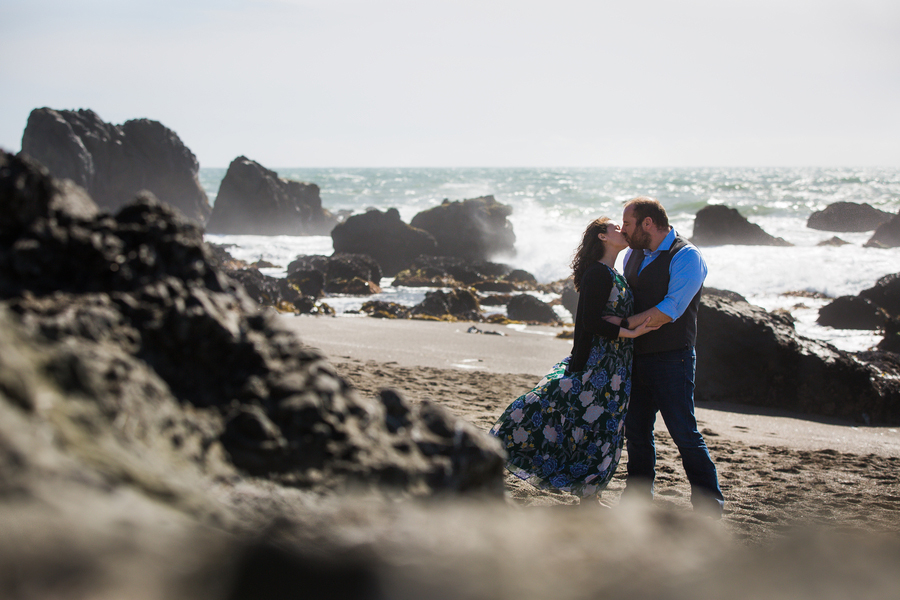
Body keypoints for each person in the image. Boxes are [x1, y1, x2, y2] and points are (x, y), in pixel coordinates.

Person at [490, 217, 656, 503]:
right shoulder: (598, 274)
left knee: (602, 432)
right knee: (567, 417)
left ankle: (589, 496)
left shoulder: (613, 273)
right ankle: (492, 452)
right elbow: (590, 322)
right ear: (602, 237)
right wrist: (629, 332)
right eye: (617, 227)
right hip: (597, 365)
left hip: (615, 367)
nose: (624, 230)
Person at [615, 196, 725, 515]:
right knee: (636, 433)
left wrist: (620, 326)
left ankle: (709, 505)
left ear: (648, 223)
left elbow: (670, 309)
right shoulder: (634, 255)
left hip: (672, 359)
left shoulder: (686, 256)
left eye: (628, 223)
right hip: (636, 358)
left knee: (683, 433)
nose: (624, 230)